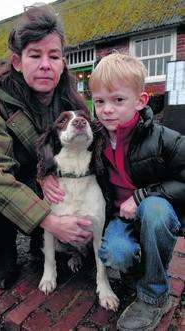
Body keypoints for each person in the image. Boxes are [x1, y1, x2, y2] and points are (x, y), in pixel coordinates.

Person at [42, 53, 184, 331]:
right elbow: (59, 150)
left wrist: (141, 197)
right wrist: (45, 174)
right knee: (116, 253)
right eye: (100, 102)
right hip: (120, 218)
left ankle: (154, 295)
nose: (107, 110)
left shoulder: (165, 138)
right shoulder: (97, 136)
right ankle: (138, 271)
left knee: (154, 211)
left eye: (118, 100)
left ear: (141, 101)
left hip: (155, 211)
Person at [0, 4, 92, 290]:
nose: (45, 65)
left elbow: (93, 147)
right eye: (35, 55)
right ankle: (6, 251)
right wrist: (47, 217)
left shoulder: (73, 102)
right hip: (21, 182)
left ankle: (59, 245)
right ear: (17, 61)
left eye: (54, 56)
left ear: (63, 62)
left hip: (60, 183)